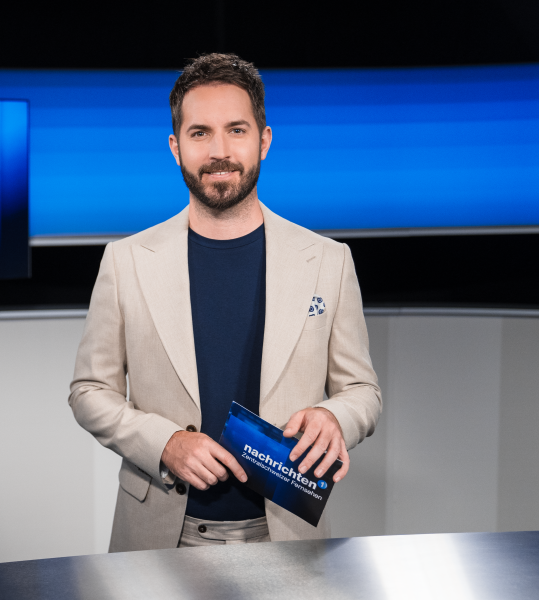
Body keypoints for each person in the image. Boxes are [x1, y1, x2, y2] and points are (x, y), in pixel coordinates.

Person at [69, 53, 381, 551]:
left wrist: (335, 418)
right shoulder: (126, 261)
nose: (220, 151)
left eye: (236, 130)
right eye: (200, 133)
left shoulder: (328, 260)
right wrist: (164, 443)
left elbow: (362, 390)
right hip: (160, 536)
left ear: (264, 140)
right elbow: (89, 390)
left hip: (287, 534)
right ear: (176, 147)